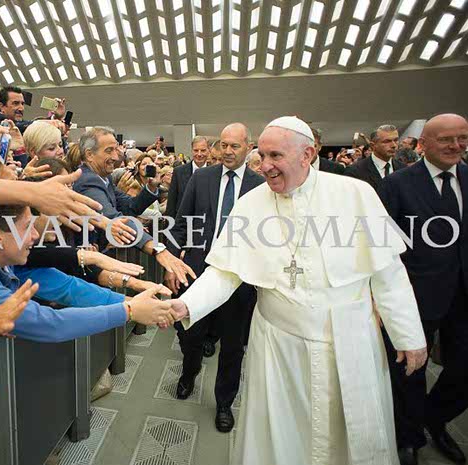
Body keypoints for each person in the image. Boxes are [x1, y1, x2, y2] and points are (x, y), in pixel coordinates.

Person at [168, 116, 427, 465]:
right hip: (278, 345)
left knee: (348, 439)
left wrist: (408, 334)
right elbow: (225, 272)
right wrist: (186, 305)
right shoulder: (251, 204)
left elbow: (388, 273)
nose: (265, 165)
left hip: (348, 341)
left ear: (307, 154)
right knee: (281, 439)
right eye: (262, 156)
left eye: (276, 156)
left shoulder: (355, 195)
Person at [0, 204, 174, 342]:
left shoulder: (0, 258)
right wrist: (129, 311)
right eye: (27, 228)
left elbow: (67, 288)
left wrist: (135, 303)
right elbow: (49, 324)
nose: (36, 236)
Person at [379, 114, 468, 465]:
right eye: (446, 139)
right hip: (415, 294)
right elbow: (383, 245)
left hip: (463, 294)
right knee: (409, 370)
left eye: (462, 138)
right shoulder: (397, 185)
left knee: (463, 368)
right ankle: (409, 437)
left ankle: (434, 416)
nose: (456, 145)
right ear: (423, 145)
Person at [166, 123, 264, 433]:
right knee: (190, 333)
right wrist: (172, 262)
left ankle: (224, 402)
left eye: (235, 145)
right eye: (224, 145)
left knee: (233, 345)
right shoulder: (202, 178)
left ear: (248, 147)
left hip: (239, 278)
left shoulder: (261, 187)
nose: (228, 151)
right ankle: (189, 372)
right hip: (198, 270)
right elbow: (180, 223)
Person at [72, 127, 195, 286]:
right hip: (89, 268)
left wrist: (151, 187)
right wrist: (158, 249)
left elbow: (130, 206)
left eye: (116, 149)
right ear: (89, 154)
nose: (115, 156)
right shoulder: (88, 181)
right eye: (109, 151)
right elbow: (114, 220)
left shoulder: (104, 179)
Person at [345, 124, 406, 195]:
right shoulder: (355, 171)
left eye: (396, 140)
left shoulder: (403, 169)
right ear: (373, 146)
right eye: (387, 141)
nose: (394, 145)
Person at [165, 136, 209, 219]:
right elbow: (172, 201)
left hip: (206, 221)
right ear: (191, 151)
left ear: (208, 151)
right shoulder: (179, 172)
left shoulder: (214, 172)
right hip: (183, 221)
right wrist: (170, 223)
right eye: (196, 150)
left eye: (203, 150)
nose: (199, 154)